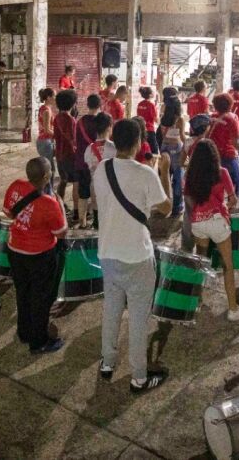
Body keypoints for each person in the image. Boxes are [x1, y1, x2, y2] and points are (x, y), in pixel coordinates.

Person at [93, 119, 171, 391]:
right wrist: (164, 172)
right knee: (138, 319)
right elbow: (167, 208)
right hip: (137, 256)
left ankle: (107, 361)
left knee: (112, 309)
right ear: (138, 143)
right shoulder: (145, 174)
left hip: (108, 254)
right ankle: (139, 377)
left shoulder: (102, 169)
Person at [3, 157, 68, 354]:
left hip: (15, 249)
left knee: (23, 291)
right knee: (40, 298)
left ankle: (24, 331)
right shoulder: (49, 203)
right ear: (47, 176)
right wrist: (61, 206)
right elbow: (61, 232)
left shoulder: (15, 186)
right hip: (39, 255)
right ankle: (39, 341)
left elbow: (8, 212)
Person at [185, 139, 239, 321]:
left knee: (202, 262)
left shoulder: (191, 175)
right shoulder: (222, 172)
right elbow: (233, 199)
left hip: (198, 222)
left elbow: (188, 201)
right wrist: (227, 206)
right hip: (217, 221)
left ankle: (197, 301)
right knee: (228, 265)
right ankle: (233, 309)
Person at [180, 114, 211, 252]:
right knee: (203, 215)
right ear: (205, 128)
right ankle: (202, 249)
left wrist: (190, 166)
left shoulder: (188, 142)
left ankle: (186, 248)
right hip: (203, 184)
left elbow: (181, 163)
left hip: (189, 182)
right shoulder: (208, 144)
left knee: (188, 215)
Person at [210, 93, 239, 197]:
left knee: (216, 182)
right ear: (230, 104)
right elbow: (235, 142)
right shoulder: (232, 119)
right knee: (236, 181)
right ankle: (232, 203)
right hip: (228, 154)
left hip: (213, 153)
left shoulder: (212, 117)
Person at [74, 94, 101, 228]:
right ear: (99, 105)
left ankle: (82, 222)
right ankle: (96, 222)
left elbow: (76, 140)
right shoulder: (100, 122)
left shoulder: (80, 121)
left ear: (87, 104)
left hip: (80, 160)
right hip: (95, 162)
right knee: (95, 192)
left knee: (83, 193)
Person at [53, 90, 79, 219]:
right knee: (76, 182)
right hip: (70, 156)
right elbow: (73, 139)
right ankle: (76, 211)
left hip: (59, 155)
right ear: (73, 103)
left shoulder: (57, 117)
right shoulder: (71, 120)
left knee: (63, 181)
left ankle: (60, 207)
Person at [159, 94, 186, 216]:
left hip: (164, 147)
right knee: (178, 178)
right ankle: (177, 207)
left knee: (165, 176)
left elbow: (162, 135)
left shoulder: (163, 119)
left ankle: (165, 203)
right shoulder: (179, 120)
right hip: (176, 149)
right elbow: (182, 137)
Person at [36, 88, 56, 193]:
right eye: (54, 96)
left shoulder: (44, 108)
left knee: (47, 169)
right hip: (45, 142)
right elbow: (47, 130)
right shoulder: (47, 111)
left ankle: (47, 191)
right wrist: (58, 135)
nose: (55, 98)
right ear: (48, 97)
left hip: (44, 141)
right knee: (49, 170)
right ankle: (49, 192)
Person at [137, 87, 159, 154]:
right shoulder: (151, 105)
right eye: (152, 92)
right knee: (154, 150)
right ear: (150, 95)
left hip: (141, 129)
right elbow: (155, 119)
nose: (153, 93)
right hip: (149, 130)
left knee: (142, 148)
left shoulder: (140, 104)